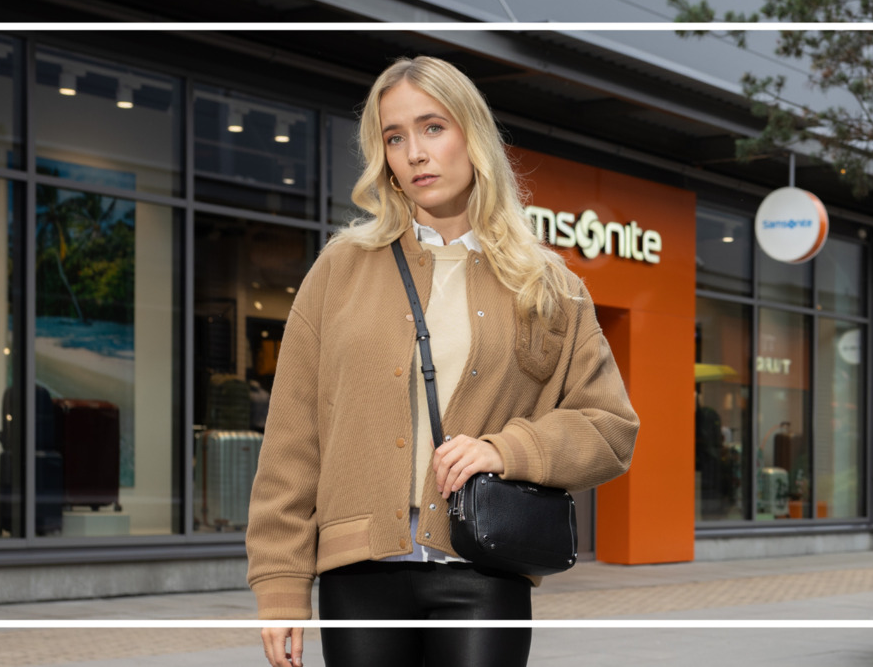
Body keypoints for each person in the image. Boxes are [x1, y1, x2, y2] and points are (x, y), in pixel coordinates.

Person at [246, 55, 641, 667]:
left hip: (482, 566)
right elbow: (293, 437)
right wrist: (279, 582)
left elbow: (611, 428)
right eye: (394, 137)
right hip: (359, 570)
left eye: (433, 127)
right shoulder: (340, 270)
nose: (415, 152)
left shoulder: (549, 285)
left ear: (472, 135)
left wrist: (507, 449)